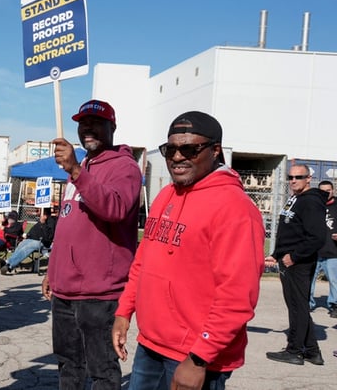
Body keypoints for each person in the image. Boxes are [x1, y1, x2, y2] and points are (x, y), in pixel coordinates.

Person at [112, 111, 265, 389]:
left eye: (189, 149)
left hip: (195, 357)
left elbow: (237, 297)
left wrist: (198, 359)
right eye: (170, 149)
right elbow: (142, 263)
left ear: (215, 150)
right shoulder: (166, 195)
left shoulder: (236, 209)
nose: (177, 157)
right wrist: (124, 313)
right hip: (150, 345)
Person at [41, 99, 141, 390]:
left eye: (96, 123)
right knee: (68, 367)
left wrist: (75, 171)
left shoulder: (125, 167)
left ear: (113, 127)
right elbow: (68, 225)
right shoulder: (84, 167)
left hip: (99, 293)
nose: (88, 129)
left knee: (102, 371)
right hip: (65, 291)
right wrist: (53, 270)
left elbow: (114, 209)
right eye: (83, 123)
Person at [265, 164, 329, 366]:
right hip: (287, 259)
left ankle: (294, 351)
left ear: (308, 178)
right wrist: (276, 254)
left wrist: (294, 256)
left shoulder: (311, 202)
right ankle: (312, 351)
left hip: (298, 263)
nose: (293, 180)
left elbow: (317, 237)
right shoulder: (296, 198)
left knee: (297, 307)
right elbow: (289, 230)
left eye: (298, 177)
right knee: (298, 306)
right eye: (290, 177)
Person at [309, 180, 337, 317]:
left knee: (334, 280)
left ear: (333, 190)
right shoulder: (313, 205)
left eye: (328, 190)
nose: (326, 193)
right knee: (309, 279)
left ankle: (334, 305)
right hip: (314, 252)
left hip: (333, 251)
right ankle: (308, 304)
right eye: (322, 190)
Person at [0, 207, 55, 275]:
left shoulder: (51, 222)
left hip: (44, 243)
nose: (38, 213)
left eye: (40, 211)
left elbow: (48, 237)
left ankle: (9, 264)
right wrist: (27, 235)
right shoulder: (40, 221)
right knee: (22, 244)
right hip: (33, 240)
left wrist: (43, 224)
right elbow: (33, 231)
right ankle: (9, 264)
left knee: (30, 245)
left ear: (45, 214)